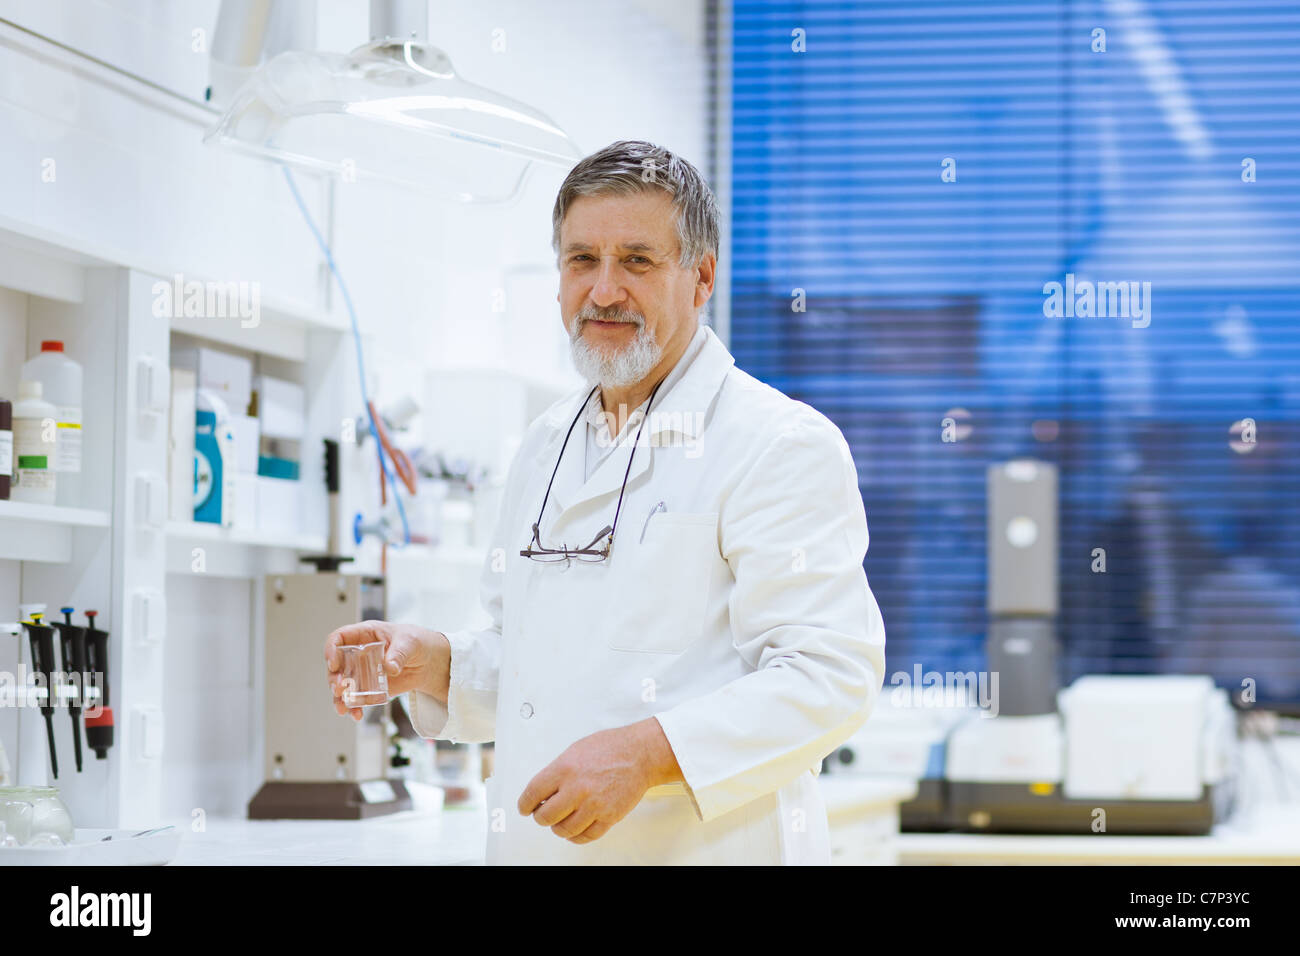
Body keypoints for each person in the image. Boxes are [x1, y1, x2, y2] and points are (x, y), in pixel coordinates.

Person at [325, 140, 886, 864]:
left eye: (637, 261)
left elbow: (829, 677)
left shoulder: (775, 443)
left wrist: (647, 756)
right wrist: (432, 662)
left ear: (701, 277)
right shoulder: (544, 444)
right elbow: (532, 663)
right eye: (581, 260)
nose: (604, 290)